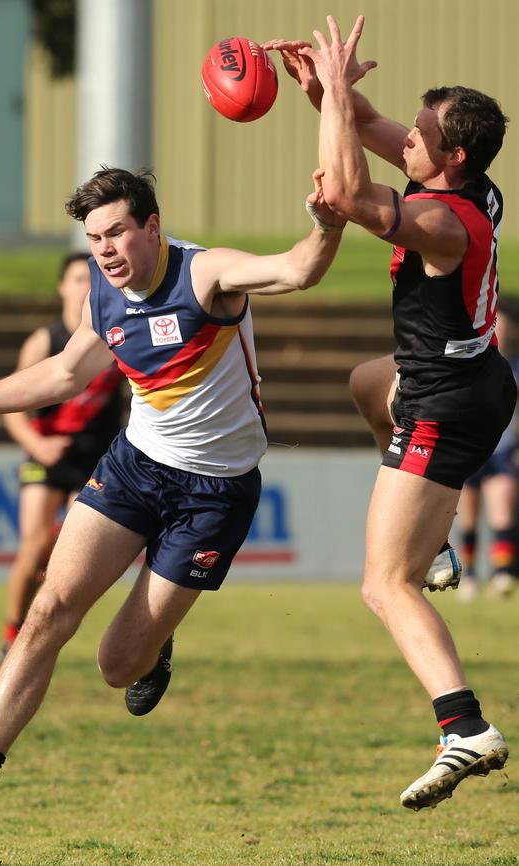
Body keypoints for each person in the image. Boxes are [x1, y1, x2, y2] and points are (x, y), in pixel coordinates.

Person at [0, 165, 346, 844]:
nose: (103, 249)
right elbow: (65, 372)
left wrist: (327, 223)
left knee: (115, 666)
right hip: (133, 469)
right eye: (94, 237)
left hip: (215, 494)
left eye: (116, 233)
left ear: (152, 227)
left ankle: (152, 647)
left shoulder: (206, 274)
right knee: (46, 610)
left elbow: (299, 269)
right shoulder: (102, 292)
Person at [266, 15, 514, 811]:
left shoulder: (445, 221)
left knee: (383, 584)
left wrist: (338, 95)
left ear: (454, 157)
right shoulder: (461, 182)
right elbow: (368, 132)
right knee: (365, 380)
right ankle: (436, 543)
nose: (400, 136)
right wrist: (326, 97)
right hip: (445, 376)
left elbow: (342, 194)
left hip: (447, 400)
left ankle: (464, 726)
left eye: (419, 133)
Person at [0, 252, 123, 662]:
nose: (85, 285)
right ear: (61, 287)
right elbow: (13, 405)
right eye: (76, 278)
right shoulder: (44, 340)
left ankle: (45, 630)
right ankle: (10, 634)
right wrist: (37, 446)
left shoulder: (116, 334)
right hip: (46, 454)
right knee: (33, 545)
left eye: (91, 278)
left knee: (70, 549)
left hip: (96, 459)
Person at [457, 307, 519, 600]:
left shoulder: (517, 369)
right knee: (468, 518)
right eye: (496, 327)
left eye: (504, 328)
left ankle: (501, 574)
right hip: (471, 451)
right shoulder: (471, 368)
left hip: (503, 453)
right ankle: (469, 576)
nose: (501, 332)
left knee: (501, 513)